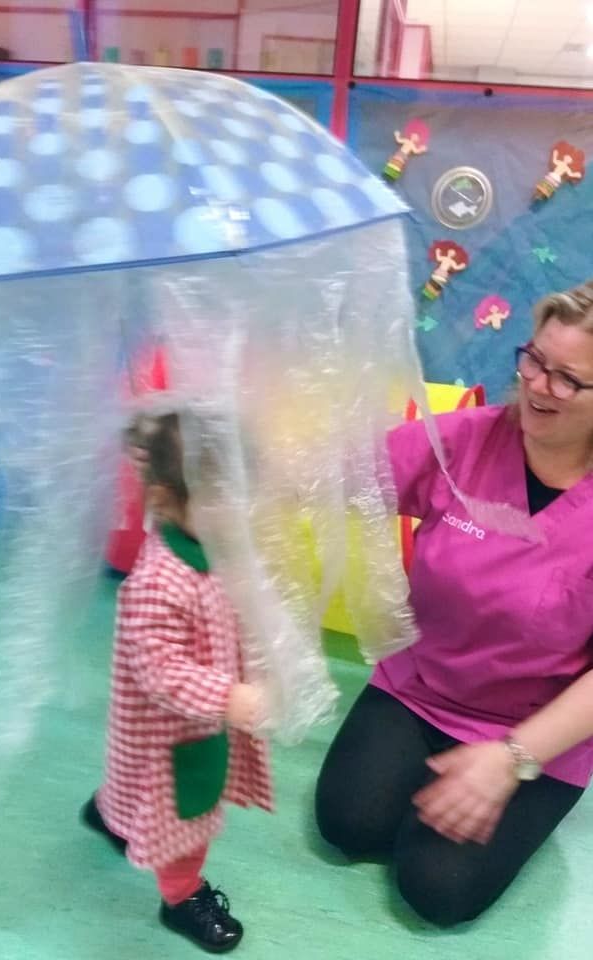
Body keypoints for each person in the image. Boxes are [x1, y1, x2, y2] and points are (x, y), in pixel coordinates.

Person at [315, 280, 593, 926]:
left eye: (568, 379)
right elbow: (343, 471)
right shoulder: (466, 441)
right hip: (424, 685)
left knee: (438, 890)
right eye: (533, 360)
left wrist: (512, 759)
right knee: (348, 826)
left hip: (539, 726)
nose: (538, 385)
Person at [81, 410, 272, 953]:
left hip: (174, 727)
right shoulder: (159, 581)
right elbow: (162, 671)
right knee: (186, 817)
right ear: (166, 499)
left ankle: (111, 812)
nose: (234, 514)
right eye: (218, 502)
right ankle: (182, 895)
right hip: (177, 733)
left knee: (131, 784)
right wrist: (227, 697)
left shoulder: (205, 541)